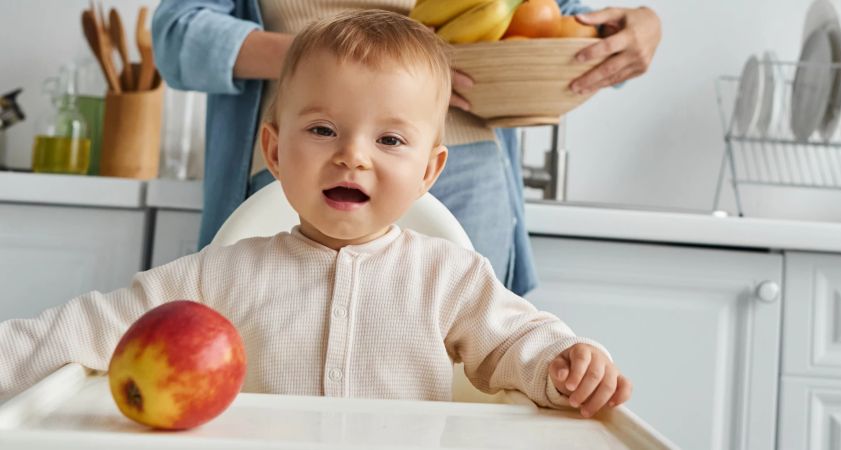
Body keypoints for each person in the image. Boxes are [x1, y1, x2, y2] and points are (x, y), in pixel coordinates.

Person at [0, 11, 630, 419]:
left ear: (429, 172)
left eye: (389, 141)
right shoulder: (219, 276)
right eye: (324, 129)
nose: (352, 157)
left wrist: (564, 365)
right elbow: (89, 325)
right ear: (274, 151)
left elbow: (520, 341)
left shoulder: (452, 277)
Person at [152, 0, 661, 297]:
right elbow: (179, 32)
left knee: (463, 344)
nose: (359, 157)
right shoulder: (214, 273)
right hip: (303, 150)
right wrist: (341, 62)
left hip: (468, 156)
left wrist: (639, 28)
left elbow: (555, 17)